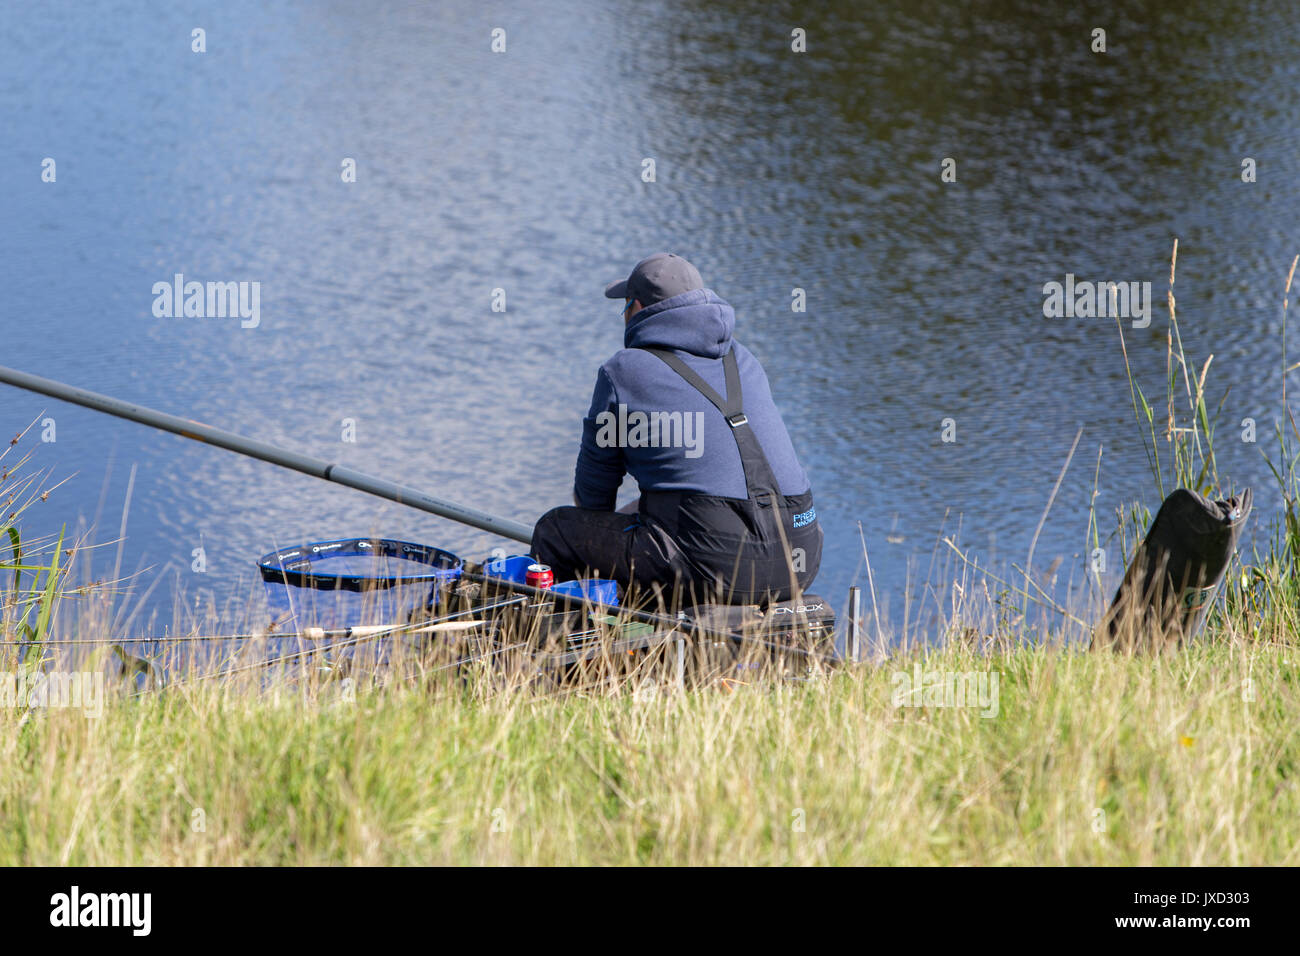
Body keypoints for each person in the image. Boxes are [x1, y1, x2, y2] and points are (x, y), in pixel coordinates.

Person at [532, 253, 822, 606]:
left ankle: (577, 654)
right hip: (801, 552)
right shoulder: (744, 359)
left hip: (716, 565)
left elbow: (593, 501)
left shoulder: (624, 370)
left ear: (635, 308)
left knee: (558, 530)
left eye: (624, 305)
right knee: (663, 515)